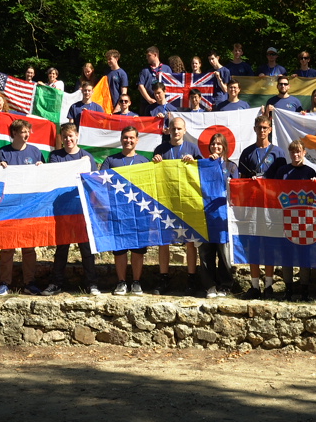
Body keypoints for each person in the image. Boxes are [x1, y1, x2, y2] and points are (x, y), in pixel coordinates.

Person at [41, 124, 100, 296]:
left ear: (77, 136)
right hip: (62, 209)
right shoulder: (55, 156)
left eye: (71, 136)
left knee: (86, 248)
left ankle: (91, 284)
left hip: (82, 209)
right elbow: (54, 178)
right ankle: (56, 283)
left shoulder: (87, 157)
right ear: (61, 138)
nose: (68, 139)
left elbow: (93, 184)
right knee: (62, 248)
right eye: (65, 137)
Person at [0, 119, 46, 296]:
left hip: (29, 206)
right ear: (14, 134)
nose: (27, 134)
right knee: (7, 247)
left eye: (28, 131)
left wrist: (42, 168)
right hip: (9, 207)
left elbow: (45, 178)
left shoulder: (35, 152)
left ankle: (30, 283)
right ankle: (4, 283)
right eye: (23, 132)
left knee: (29, 247)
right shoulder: (3, 152)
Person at [151, 117, 203, 296]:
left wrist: (193, 162)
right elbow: (153, 174)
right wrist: (155, 162)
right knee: (163, 241)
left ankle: (191, 279)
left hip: (186, 201)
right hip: (166, 200)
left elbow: (202, 171)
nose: (176, 131)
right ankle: (163, 278)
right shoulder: (160, 149)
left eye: (179, 128)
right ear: (168, 130)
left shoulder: (192, 148)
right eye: (173, 128)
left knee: (190, 241)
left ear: (185, 130)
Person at [239, 115, 287, 299]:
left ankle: (268, 286)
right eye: (259, 127)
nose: (262, 131)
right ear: (254, 129)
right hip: (252, 206)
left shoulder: (278, 153)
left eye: (265, 127)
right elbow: (241, 181)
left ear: (270, 129)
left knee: (269, 245)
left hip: (271, 207)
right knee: (253, 245)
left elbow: (282, 182)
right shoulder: (247, 152)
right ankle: (254, 286)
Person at [102, 126, 150, 295]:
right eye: (125, 138)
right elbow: (100, 183)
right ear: (121, 139)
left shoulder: (144, 161)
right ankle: (121, 282)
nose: (128, 141)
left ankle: (136, 282)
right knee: (120, 248)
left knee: (138, 248)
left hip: (139, 211)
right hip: (118, 211)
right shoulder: (110, 160)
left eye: (131, 138)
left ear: (137, 140)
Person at [271, 139, 316, 301]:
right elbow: (274, 190)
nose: (295, 155)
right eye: (292, 152)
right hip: (286, 217)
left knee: (304, 254)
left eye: (298, 152)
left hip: (305, 219)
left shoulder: (310, 172)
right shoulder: (282, 171)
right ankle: (288, 289)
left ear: (304, 153)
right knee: (287, 255)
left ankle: (304, 290)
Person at [198, 133, 237, 299]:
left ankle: (225, 285)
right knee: (206, 252)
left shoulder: (232, 167)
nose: (216, 146)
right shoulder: (202, 165)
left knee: (224, 253)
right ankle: (210, 286)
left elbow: (236, 190)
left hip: (223, 216)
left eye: (219, 144)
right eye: (213, 144)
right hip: (205, 214)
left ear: (224, 147)